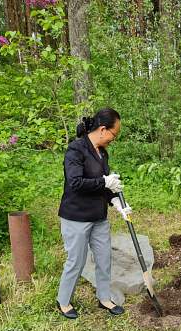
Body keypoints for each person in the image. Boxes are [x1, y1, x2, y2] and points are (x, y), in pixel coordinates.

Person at [56, 108, 132, 319]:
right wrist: (103, 181)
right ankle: (63, 301)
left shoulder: (102, 152)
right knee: (76, 261)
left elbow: (104, 186)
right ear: (102, 129)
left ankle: (104, 297)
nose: (113, 140)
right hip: (76, 217)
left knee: (104, 258)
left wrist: (116, 201)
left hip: (98, 216)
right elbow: (76, 182)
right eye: (113, 135)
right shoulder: (76, 150)